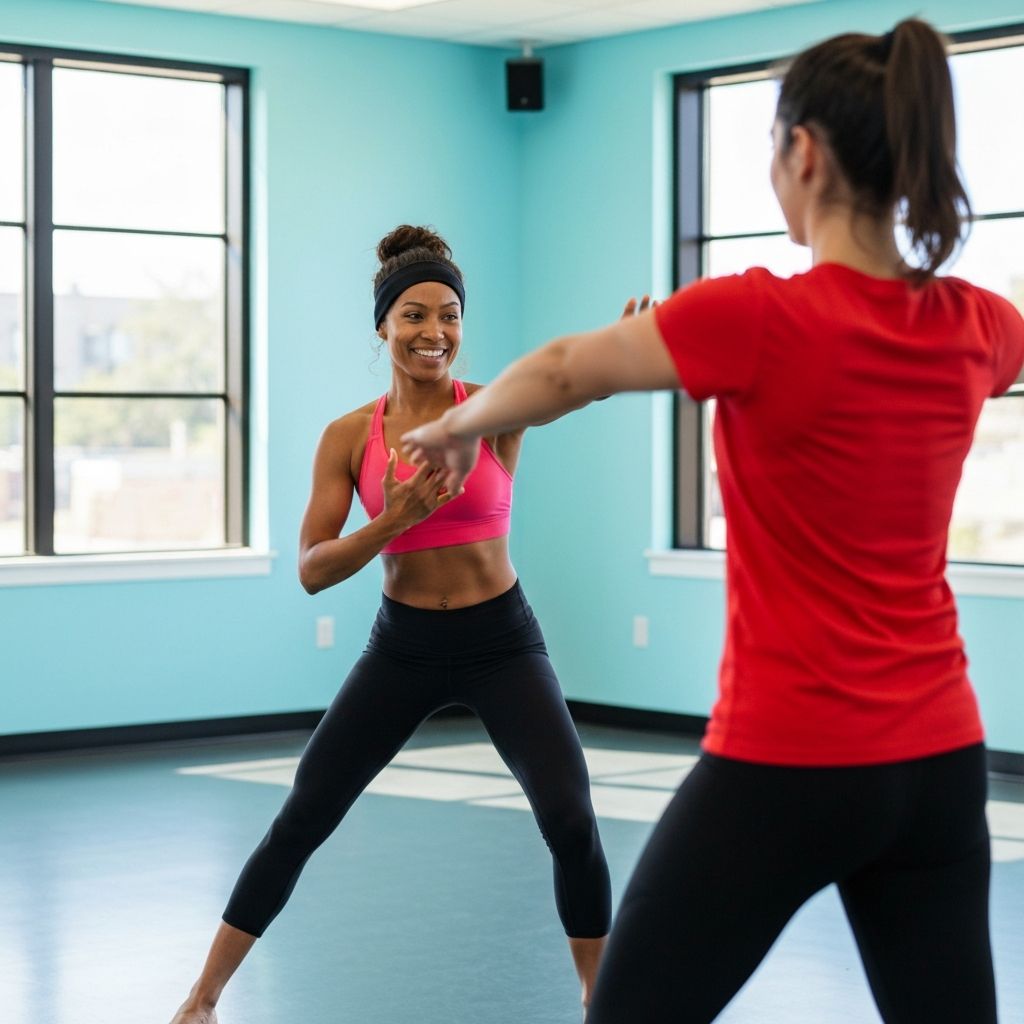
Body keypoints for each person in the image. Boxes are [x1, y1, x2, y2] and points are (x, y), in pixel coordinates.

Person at [402, 19, 1024, 1023]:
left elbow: (565, 369)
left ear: (804, 153)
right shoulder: (978, 323)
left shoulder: (759, 314)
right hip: (940, 763)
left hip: (790, 759)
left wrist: (455, 428)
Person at [170, 225, 612, 1024]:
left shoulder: (491, 410)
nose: (433, 331)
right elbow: (312, 569)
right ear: (383, 326)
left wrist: (626, 352)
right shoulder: (349, 437)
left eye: (449, 315)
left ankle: (600, 1001)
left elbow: (570, 384)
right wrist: (391, 521)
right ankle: (202, 1000)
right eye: (414, 315)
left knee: (571, 816)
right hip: (403, 647)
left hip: (502, 642)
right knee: (304, 815)